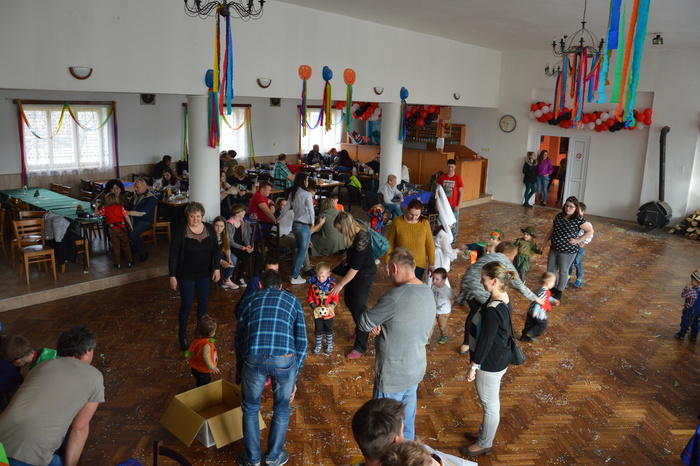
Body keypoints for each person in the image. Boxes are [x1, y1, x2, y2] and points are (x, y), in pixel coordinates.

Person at [358, 247, 436, 440]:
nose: (388, 274)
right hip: (415, 369)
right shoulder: (428, 291)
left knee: (384, 433)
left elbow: (364, 322)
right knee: (407, 426)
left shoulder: (394, 297)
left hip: (393, 377)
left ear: (394, 268)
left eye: (388, 270)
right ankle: (407, 453)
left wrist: (377, 320)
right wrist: (382, 320)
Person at [0, 326, 105, 466]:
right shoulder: (95, 376)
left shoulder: (40, 366)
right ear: (87, 351)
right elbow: (78, 429)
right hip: (26, 456)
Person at [235, 270, 307, 466]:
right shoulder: (293, 300)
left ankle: (252, 459)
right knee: (282, 409)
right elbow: (302, 342)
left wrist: (240, 377)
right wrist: (294, 378)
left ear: (260, 285)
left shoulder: (249, 300)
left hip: (254, 357)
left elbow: (239, 341)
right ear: (281, 286)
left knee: (250, 408)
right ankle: (273, 458)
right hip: (284, 359)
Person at [459, 261, 513, 458]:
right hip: (499, 357)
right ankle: (483, 434)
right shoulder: (502, 297)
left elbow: (485, 341)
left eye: (484, 278)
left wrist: (473, 367)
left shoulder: (492, 309)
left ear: (495, 280)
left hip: (490, 363)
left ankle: (484, 443)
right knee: (490, 403)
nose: (481, 281)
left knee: (490, 405)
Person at [456, 242, 542, 356]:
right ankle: (487, 345)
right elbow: (518, 284)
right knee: (492, 317)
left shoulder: (489, 255)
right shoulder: (504, 261)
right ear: (510, 255)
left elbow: (471, 271)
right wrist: (535, 298)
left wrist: (462, 297)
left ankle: (466, 344)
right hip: (481, 289)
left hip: (467, 285)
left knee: (474, 313)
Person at [169, 202, 221, 351]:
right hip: (185, 274)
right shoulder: (181, 231)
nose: (195, 219)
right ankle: (182, 334)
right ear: (187, 217)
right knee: (186, 304)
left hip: (204, 273)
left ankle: (201, 335)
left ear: (202, 216)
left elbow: (216, 250)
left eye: (198, 216)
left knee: (203, 304)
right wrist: (172, 275)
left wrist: (217, 268)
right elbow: (173, 255)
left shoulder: (209, 229)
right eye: (192, 216)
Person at [330, 212, 378, 359]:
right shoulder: (354, 232)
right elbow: (355, 256)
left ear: (346, 227)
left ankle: (361, 345)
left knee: (359, 307)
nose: (340, 232)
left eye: (340, 229)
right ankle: (360, 330)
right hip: (356, 271)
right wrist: (347, 257)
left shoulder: (361, 237)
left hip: (364, 273)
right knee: (349, 301)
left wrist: (340, 284)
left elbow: (355, 268)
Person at [538, 196, 593, 300]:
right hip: (554, 247)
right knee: (551, 270)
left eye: (571, 206)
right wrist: (544, 242)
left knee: (563, 271)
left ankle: (559, 290)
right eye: (566, 205)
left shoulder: (578, 219)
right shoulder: (559, 216)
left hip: (568, 251)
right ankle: (553, 287)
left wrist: (578, 240)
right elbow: (552, 230)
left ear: (576, 208)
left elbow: (590, 231)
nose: (568, 208)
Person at [386, 199, 435, 280]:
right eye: (411, 214)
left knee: (414, 285)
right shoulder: (397, 222)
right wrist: (387, 262)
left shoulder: (424, 223)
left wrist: (431, 263)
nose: (414, 218)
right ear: (407, 210)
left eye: (417, 215)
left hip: (418, 263)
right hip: (400, 262)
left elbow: (429, 244)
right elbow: (389, 242)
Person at [280, 173, 314, 285]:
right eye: (307, 180)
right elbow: (311, 210)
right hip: (304, 225)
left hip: (295, 225)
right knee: (302, 251)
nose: (307, 182)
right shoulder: (307, 194)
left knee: (299, 250)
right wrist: (313, 222)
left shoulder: (293, 193)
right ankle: (294, 276)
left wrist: (279, 217)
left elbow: (285, 208)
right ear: (304, 181)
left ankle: (293, 274)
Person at [275, 198, 315, 276]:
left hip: (278, 234)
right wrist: (307, 240)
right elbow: (302, 230)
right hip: (279, 237)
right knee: (302, 245)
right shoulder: (294, 214)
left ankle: (299, 264)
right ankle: (307, 269)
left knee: (301, 243)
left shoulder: (291, 212)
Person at [227, 203, 262, 288]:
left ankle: (255, 276)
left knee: (259, 256)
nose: (244, 212)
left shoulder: (244, 222)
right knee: (245, 258)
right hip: (233, 246)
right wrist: (243, 248)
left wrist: (248, 246)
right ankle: (239, 278)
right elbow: (230, 242)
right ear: (236, 213)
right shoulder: (229, 224)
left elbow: (246, 237)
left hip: (243, 245)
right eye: (242, 211)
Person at [307, 262, 340, 354]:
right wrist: (314, 306)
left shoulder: (333, 285)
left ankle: (329, 344)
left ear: (329, 274)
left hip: (329, 313)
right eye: (318, 276)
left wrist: (331, 306)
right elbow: (310, 297)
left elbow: (336, 298)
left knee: (329, 329)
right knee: (318, 330)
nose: (320, 279)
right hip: (317, 313)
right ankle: (318, 345)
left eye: (323, 276)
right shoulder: (313, 285)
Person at [97, 192, 134, 270]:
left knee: (116, 247)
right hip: (122, 228)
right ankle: (130, 261)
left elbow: (97, 213)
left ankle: (117, 264)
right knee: (126, 245)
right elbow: (127, 217)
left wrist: (97, 206)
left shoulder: (105, 209)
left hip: (113, 230)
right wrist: (130, 226)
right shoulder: (121, 208)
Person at [520, 272, 560, 342]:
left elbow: (547, 298)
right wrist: (535, 312)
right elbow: (539, 302)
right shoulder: (544, 292)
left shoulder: (541, 289)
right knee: (542, 325)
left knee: (530, 324)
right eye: (553, 282)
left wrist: (554, 300)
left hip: (530, 310)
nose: (554, 284)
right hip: (537, 312)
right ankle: (530, 334)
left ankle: (524, 338)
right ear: (548, 283)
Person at [127, 178, 157, 262]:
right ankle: (133, 247)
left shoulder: (151, 198)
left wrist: (130, 213)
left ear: (144, 186)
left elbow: (144, 212)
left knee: (133, 234)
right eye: (135, 187)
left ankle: (143, 253)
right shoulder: (135, 196)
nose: (135, 189)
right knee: (120, 229)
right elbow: (128, 207)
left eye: (137, 187)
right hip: (134, 220)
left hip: (145, 221)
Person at [186, 315, 220, 387]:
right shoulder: (206, 345)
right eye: (214, 331)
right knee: (204, 384)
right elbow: (206, 357)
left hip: (195, 367)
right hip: (202, 370)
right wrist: (213, 367)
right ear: (208, 333)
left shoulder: (198, 339)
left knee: (200, 381)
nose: (215, 332)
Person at [438, 159, 464, 242]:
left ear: (455, 167)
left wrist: (458, 205)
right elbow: (438, 192)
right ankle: (443, 238)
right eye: (449, 167)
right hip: (444, 205)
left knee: (454, 223)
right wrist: (438, 204)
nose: (450, 169)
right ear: (446, 167)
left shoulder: (458, 179)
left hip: (453, 205)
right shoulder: (442, 177)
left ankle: (453, 239)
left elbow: (461, 192)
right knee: (442, 222)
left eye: (452, 167)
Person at [567, 202, 592, 288]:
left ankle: (579, 279)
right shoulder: (572, 222)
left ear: (583, 212)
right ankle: (568, 277)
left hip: (579, 247)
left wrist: (582, 243)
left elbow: (589, 235)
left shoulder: (586, 224)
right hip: (571, 246)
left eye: (579, 211)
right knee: (570, 262)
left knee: (577, 262)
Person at [429, 267, 455, 345]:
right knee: (431, 324)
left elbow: (453, 298)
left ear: (443, 280)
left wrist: (448, 306)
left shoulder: (447, 290)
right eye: (433, 278)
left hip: (444, 312)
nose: (434, 281)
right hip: (434, 310)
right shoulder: (433, 286)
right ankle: (427, 337)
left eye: (437, 279)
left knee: (442, 325)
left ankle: (444, 336)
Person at [212, 216, 238, 290]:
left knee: (233, 258)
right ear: (213, 225)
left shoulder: (224, 235)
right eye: (216, 226)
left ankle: (226, 279)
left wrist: (228, 258)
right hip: (211, 255)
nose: (219, 228)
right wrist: (221, 261)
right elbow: (210, 252)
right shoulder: (210, 235)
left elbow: (227, 248)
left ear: (224, 227)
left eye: (221, 226)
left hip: (220, 252)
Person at [675, 270, 700, 342]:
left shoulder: (693, 292)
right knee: (695, 322)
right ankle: (693, 336)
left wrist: (687, 288)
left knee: (685, 321)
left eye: (692, 280)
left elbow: (683, 295)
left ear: (697, 282)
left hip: (690, 311)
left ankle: (681, 334)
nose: (691, 281)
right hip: (698, 311)